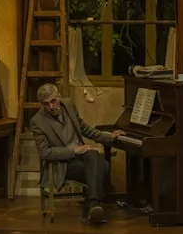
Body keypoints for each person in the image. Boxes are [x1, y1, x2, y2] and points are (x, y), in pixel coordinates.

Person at [29, 83, 124, 223]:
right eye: (45, 104)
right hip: (62, 164)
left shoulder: (69, 105)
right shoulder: (37, 121)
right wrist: (74, 150)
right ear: (41, 104)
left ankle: (92, 205)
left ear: (59, 96)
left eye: (53, 101)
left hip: (80, 156)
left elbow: (85, 129)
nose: (51, 107)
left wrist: (109, 136)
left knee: (94, 155)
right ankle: (92, 206)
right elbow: (45, 153)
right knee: (103, 166)